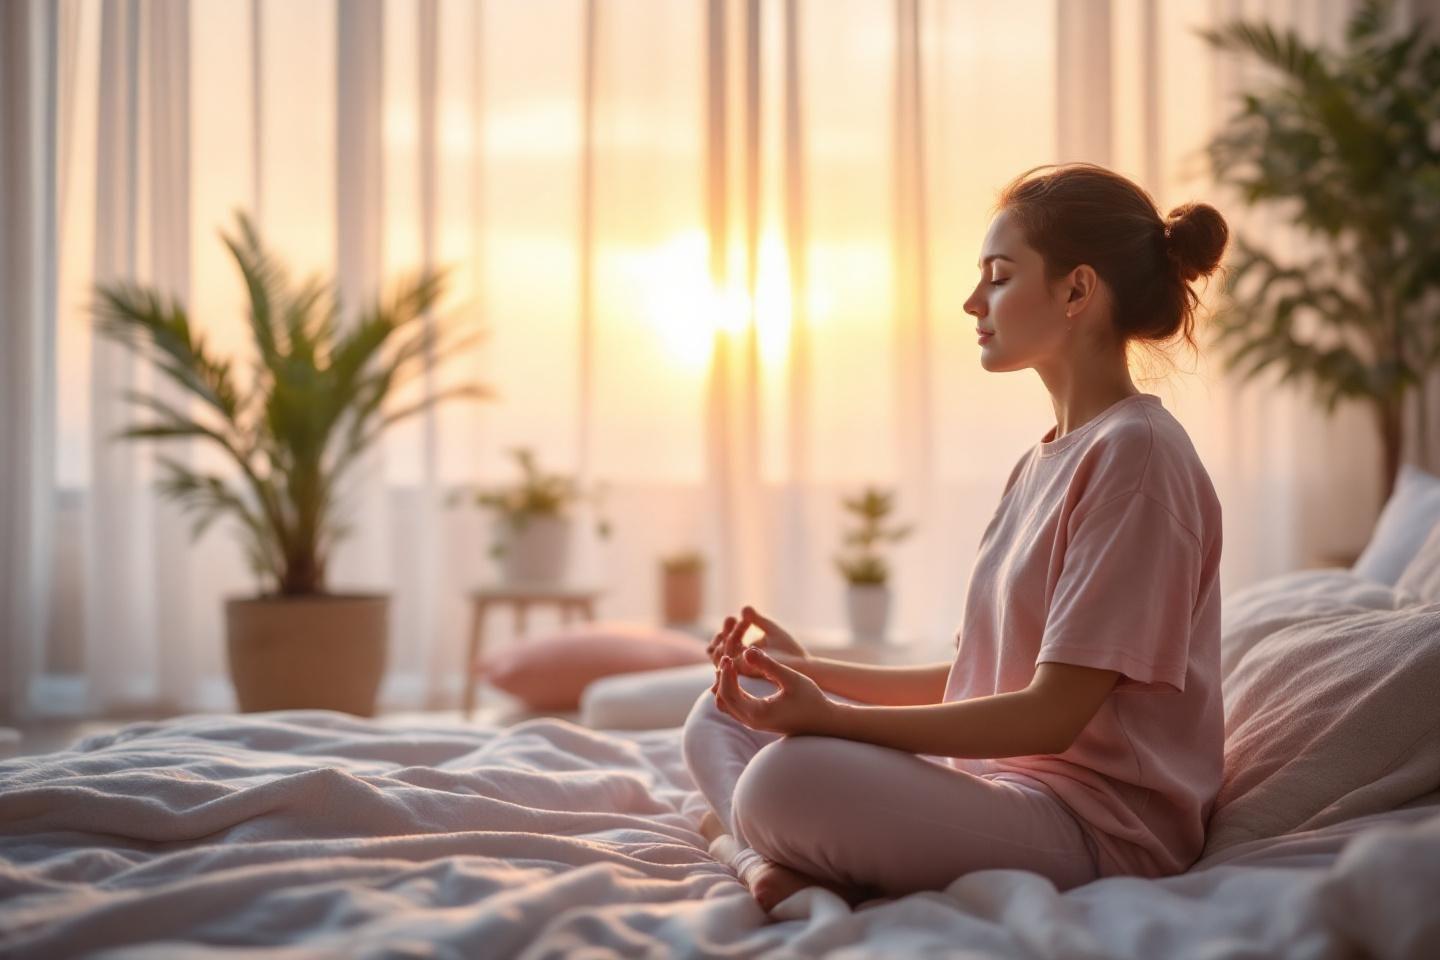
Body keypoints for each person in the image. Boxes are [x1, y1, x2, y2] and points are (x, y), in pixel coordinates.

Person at [682, 162, 1229, 913]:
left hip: (1098, 827)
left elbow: (1050, 713)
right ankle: (760, 853)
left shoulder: (1139, 457)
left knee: (783, 782)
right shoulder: (1041, 461)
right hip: (1003, 786)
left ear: (1077, 291)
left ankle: (749, 848)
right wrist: (812, 673)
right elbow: (982, 677)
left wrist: (831, 717)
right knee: (717, 711)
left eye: (999, 278)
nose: (973, 301)